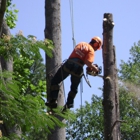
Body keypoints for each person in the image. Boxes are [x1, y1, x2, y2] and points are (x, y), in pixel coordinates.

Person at [46, 36, 102, 109]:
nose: (96, 50)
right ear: (96, 44)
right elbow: (88, 62)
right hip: (78, 69)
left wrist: (90, 67)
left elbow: (78, 55)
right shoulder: (91, 50)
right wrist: (96, 69)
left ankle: (53, 100)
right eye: (96, 48)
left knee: (55, 81)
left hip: (69, 64)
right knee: (74, 88)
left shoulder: (81, 43)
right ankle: (69, 104)